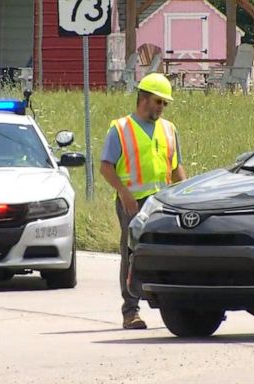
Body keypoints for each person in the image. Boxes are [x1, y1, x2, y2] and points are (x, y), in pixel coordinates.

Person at [100, 73, 187, 329]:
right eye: (157, 102)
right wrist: (124, 193)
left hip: (163, 201)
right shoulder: (120, 128)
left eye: (164, 104)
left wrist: (186, 195)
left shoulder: (169, 129)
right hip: (133, 202)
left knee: (173, 251)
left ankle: (177, 304)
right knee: (132, 253)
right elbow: (106, 167)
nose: (161, 107)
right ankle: (131, 311)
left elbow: (175, 168)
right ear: (143, 99)